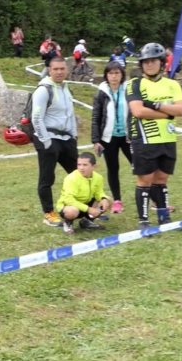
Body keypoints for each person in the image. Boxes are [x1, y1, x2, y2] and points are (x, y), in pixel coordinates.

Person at [126, 42, 182, 229]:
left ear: (161, 63)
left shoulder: (172, 84)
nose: (149, 65)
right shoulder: (134, 84)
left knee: (161, 179)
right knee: (145, 180)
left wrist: (156, 105)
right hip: (144, 139)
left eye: (153, 61)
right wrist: (169, 113)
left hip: (167, 139)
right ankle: (144, 220)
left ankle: (164, 217)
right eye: (145, 62)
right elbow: (138, 111)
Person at [31, 57, 78, 227]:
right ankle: (49, 213)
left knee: (78, 174)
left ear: (66, 70)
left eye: (62, 69)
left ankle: (86, 211)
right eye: (55, 69)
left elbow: (70, 114)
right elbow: (36, 117)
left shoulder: (66, 88)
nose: (59, 72)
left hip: (67, 139)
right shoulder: (43, 90)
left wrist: (74, 136)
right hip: (49, 138)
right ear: (49, 70)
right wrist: (47, 142)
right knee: (47, 178)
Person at [91, 62, 132, 214]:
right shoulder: (101, 92)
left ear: (122, 75)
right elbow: (96, 117)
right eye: (111, 73)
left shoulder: (129, 90)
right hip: (109, 138)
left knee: (140, 166)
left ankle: (154, 198)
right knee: (113, 168)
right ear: (106, 76)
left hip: (128, 137)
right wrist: (96, 140)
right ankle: (117, 201)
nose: (114, 76)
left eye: (117, 73)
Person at [56, 152, 111, 234]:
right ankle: (68, 223)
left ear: (93, 166)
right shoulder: (71, 178)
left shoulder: (98, 177)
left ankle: (87, 222)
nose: (81, 168)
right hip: (70, 206)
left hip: (86, 204)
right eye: (79, 165)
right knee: (72, 211)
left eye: (85, 165)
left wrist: (103, 198)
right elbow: (68, 199)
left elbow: (99, 193)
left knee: (108, 200)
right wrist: (88, 209)